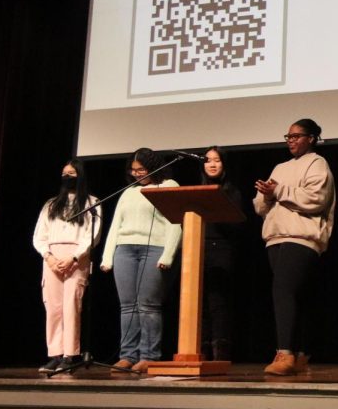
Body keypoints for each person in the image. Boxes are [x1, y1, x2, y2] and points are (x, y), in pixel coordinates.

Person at [255, 118, 335, 376]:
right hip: (276, 237)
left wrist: (279, 191)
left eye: (296, 136)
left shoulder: (317, 163)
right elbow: (259, 206)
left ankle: (285, 353)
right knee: (296, 297)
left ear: (311, 138)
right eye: (288, 137)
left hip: (301, 237)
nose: (291, 141)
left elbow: (316, 199)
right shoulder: (279, 167)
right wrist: (268, 194)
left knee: (283, 291)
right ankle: (300, 354)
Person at [100, 148, 182, 372]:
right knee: (128, 307)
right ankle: (128, 354)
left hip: (154, 249)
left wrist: (168, 254)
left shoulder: (169, 186)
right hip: (124, 250)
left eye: (141, 169)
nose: (136, 174)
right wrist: (108, 256)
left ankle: (149, 355)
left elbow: (175, 222)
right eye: (133, 170)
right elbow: (116, 225)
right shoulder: (129, 192)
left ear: (154, 167)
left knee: (148, 305)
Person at [32, 159, 100, 374]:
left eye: (71, 173)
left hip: (76, 258)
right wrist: (49, 257)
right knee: (52, 308)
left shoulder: (92, 202)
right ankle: (55, 354)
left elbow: (93, 235)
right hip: (52, 258)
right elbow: (39, 236)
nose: (67, 177)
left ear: (80, 176)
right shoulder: (51, 204)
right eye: (64, 173)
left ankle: (70, 354)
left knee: (71, 306)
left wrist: (74, 257)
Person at [199, 146, 247, 361]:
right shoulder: (195, 191)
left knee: (218, 303)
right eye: (208, 160)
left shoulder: (232, 192)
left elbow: (237, 225)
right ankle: (200, 350)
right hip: (197, 248)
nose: (212, 164)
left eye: (216, 160)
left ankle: (220, 353)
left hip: (222, 249)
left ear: (224, 164)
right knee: (198, 304)